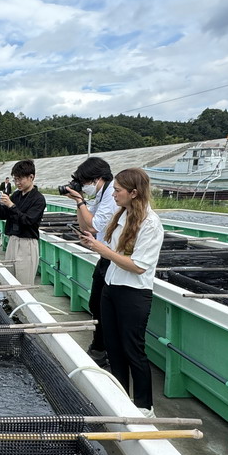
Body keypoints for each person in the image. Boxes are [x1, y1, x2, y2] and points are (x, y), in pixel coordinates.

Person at [79, 168, 164, 416]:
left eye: (117, 190)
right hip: (112, 289)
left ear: (134, 193)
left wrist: (103, 250)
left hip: (133, 294)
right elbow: (114, 254)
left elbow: (138, 266)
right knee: (114, 348)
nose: (113, 194)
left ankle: (144, 406)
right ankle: (119, 397)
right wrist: (95, 245)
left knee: (132, 350)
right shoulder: (123, 216)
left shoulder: (150, 223)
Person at [61, 157, 116, 366]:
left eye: (85, 182)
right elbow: (84, 225)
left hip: (113, 258)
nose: (84, 187)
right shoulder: (102, 194)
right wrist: (79, 202)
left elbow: (94, 227)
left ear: (97, 178)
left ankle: (101, 350)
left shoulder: (111, 194)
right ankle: (99, 347)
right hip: (104, 256)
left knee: (104, 307)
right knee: (96, 303)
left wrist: (80, 200)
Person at [0, 159, 46, 286]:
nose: (17, 183)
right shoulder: (16, 195)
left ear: (31, 177)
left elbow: (28, 220)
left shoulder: (38, 199)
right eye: (15, 179)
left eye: (20, 179)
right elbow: (1, 215)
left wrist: (11, 206)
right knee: (9, 282)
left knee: (23, 284)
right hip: (13, 240)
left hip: (27, 243)